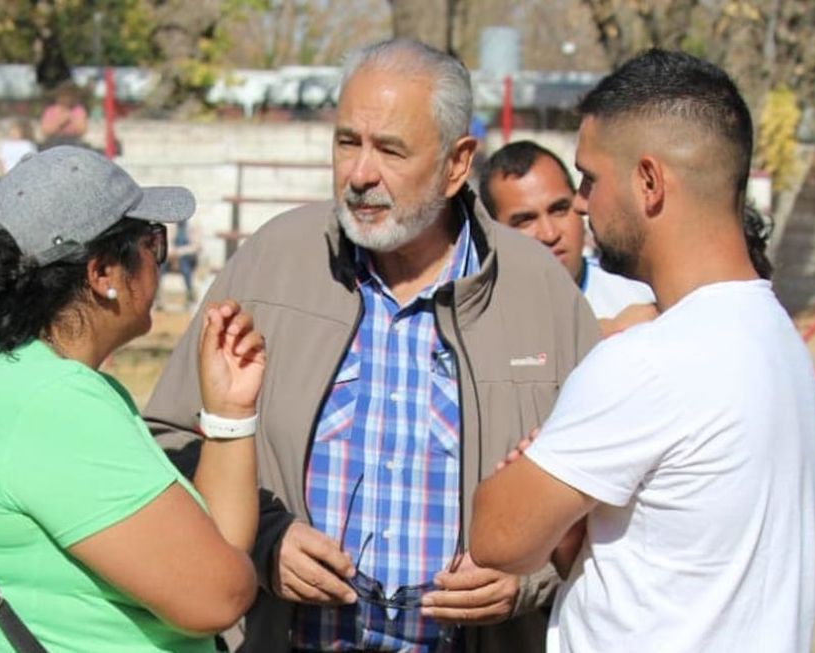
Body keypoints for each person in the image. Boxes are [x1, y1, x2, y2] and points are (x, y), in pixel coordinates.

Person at [146, 38, 599, 653]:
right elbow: (168, 445)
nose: (360, 174)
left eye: (390, 150)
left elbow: (604, 493)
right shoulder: (271, 262)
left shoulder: (539, 292)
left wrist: (530, 576)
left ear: (456, 162)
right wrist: (264, 537)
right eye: (347, 142)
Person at [469, 49, 815, 653]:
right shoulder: (774, 333)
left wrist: (543, 461)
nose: (581, 204)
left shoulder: (646, 362)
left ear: (650, 182)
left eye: (589, 179)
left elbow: (498, 537)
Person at [0, 146, 265, 652]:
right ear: (103, 273)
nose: (158, 260)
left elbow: (214, 554)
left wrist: (229, 414)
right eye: (152, 242)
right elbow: (218, 597)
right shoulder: (52, 405)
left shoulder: (11, 379)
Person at [479, 140, 655, 335]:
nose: (549, 234)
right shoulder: (475, 316)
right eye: (525, 220)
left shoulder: (641, 297)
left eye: (559, 210)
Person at [39, 81, 89, 150]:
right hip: (53, 143)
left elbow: (82, 130)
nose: (67, 98)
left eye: (69, 95)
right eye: (64, 95)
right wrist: (61, 122)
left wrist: (71, 118)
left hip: (73, 143)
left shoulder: (78, 110)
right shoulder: (50, 110)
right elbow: (46, 131)